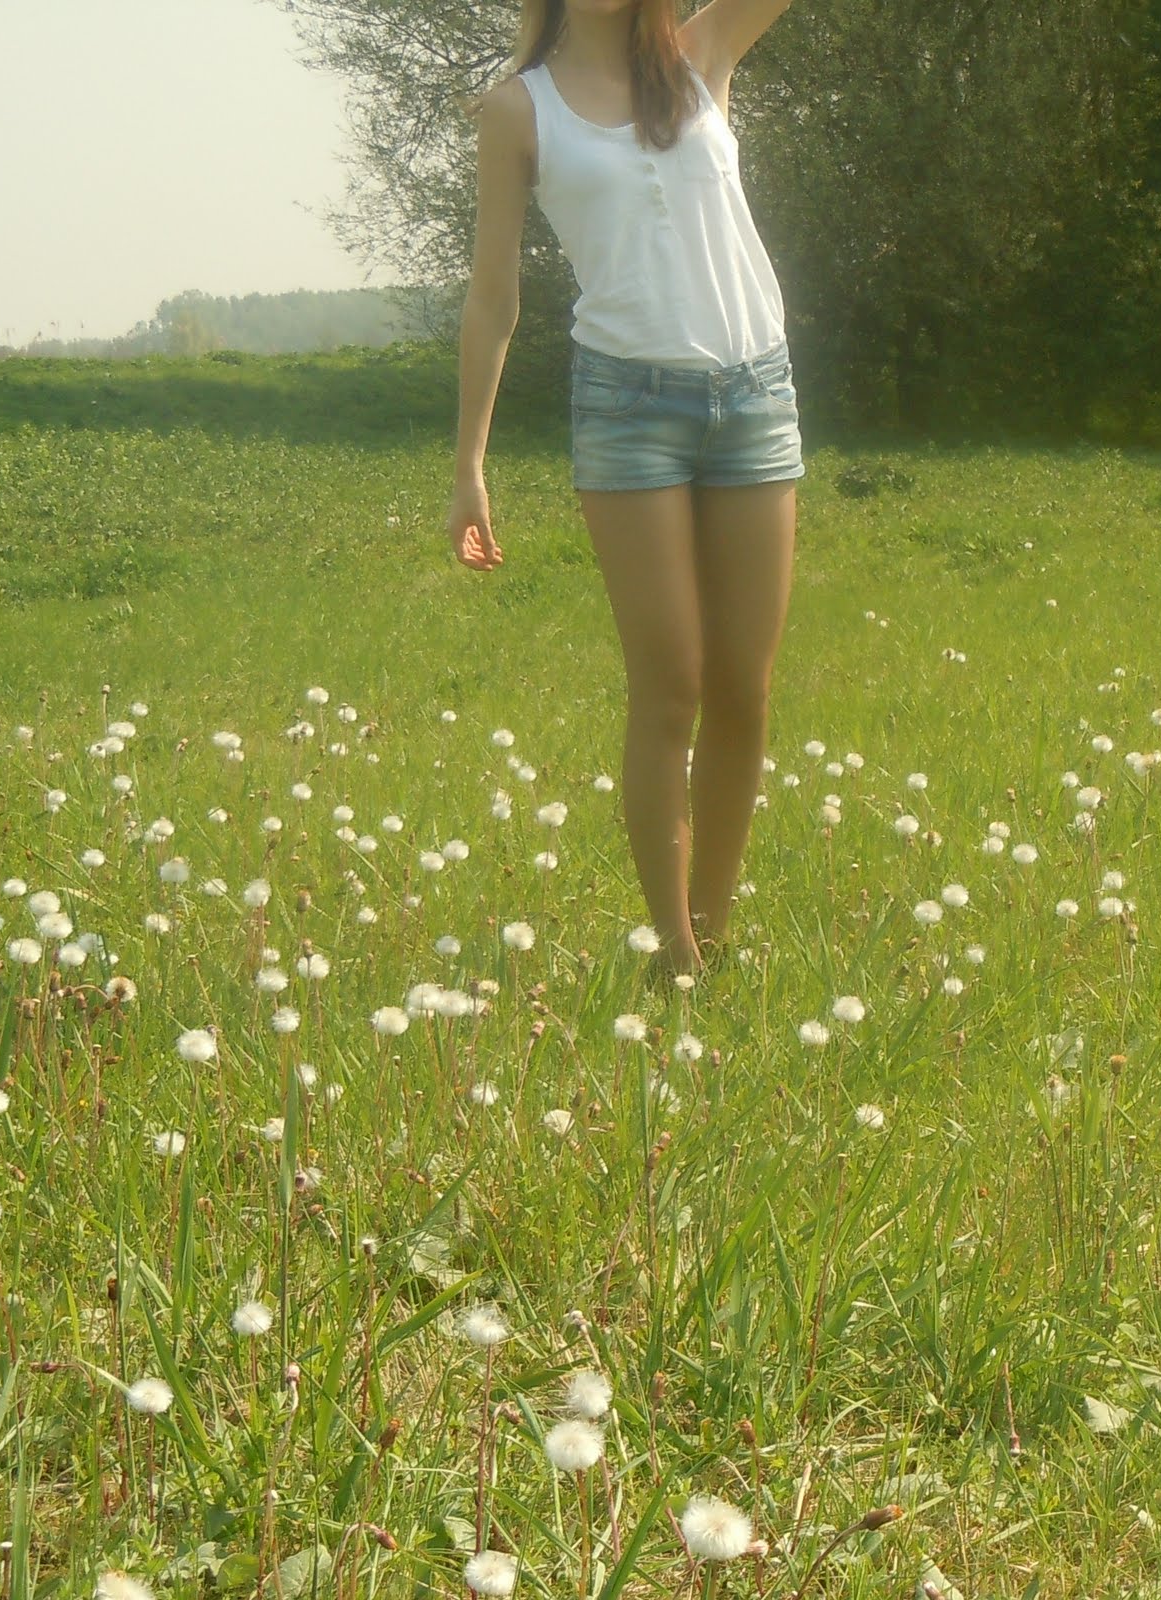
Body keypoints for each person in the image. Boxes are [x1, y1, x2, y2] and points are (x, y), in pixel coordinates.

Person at [446, 0, 802, 979]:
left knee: (744, 687)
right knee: (671, 682)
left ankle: (712, 938)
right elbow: (492, 297)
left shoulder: (702, 54)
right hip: (627, 410)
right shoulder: (517, 110)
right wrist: (469, 464)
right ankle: (672, 952)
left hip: (755, 397)